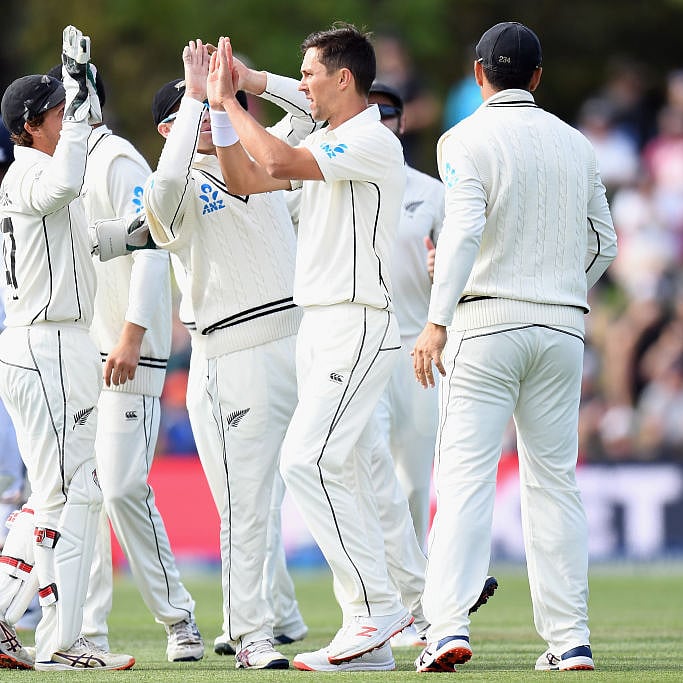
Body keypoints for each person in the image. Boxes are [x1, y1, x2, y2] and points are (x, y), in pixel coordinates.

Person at [206, 23, 415, 667]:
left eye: (309, 74)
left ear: (343, 79)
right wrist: (236, 97)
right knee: (341, 469)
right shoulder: (327, 137)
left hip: (358, 321)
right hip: (319, 324)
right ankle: (374, 632)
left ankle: (376, 610)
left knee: (306, 461)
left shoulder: (370, 139)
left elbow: (273, 161)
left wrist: (232, 98)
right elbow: (245, 178)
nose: (301, 86)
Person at [411, 22, 617, 673]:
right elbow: (604, 242)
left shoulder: (461, 138)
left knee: (465, 479)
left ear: (478, 74)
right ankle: (570, 639)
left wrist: (436, 318)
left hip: (485, 324)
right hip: (560, 328)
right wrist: (559, 292)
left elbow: (465, 229)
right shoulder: (577, 143)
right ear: (537, 76)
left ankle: (447, 627)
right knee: (554, 482)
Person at [144, 38, 316, 670]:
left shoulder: (261, 155)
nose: (208, 114)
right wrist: (197, 98)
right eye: (191, 109)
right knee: (245, 503)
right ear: (170, 128)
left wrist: (251, 81)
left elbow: (320, 113)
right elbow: (162, 191)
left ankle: (382, 615)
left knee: (347, 471)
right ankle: (251, 633)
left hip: (301, 337)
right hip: (232, 351)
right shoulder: (173, 186)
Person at [43, 63, 204, 663]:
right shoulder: (62, 169)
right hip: (81, 350)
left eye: (61, 106)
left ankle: (179, 618)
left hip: (128, 349)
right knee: (83, 494)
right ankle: (85, 633)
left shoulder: (117, 160)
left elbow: (153, 245)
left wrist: (133, 334)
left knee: (120, 487)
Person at [0, 25, 146, 671]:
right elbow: (62, 186)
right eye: (59, 113)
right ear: (29, 127)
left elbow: (85, 240)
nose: (71, 120)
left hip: (49, 344)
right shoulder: (30, 171)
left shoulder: (35, 173)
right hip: (48, 344)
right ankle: (51, 637)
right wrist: (82, 105)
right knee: (70, 491)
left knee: (61, 491)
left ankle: (46, 631)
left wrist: (142, 231)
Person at [367, 81, 444, 552]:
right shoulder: (340, 185)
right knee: (371, 472)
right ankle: (369, 588)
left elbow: (462, 269)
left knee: (414, 482)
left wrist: (444, 269)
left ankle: (415, 587)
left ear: (402, 122)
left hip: (418, 347)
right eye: (369, 114)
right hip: (363, 344)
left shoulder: (431, 192)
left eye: (387, 115)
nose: (379, 123)